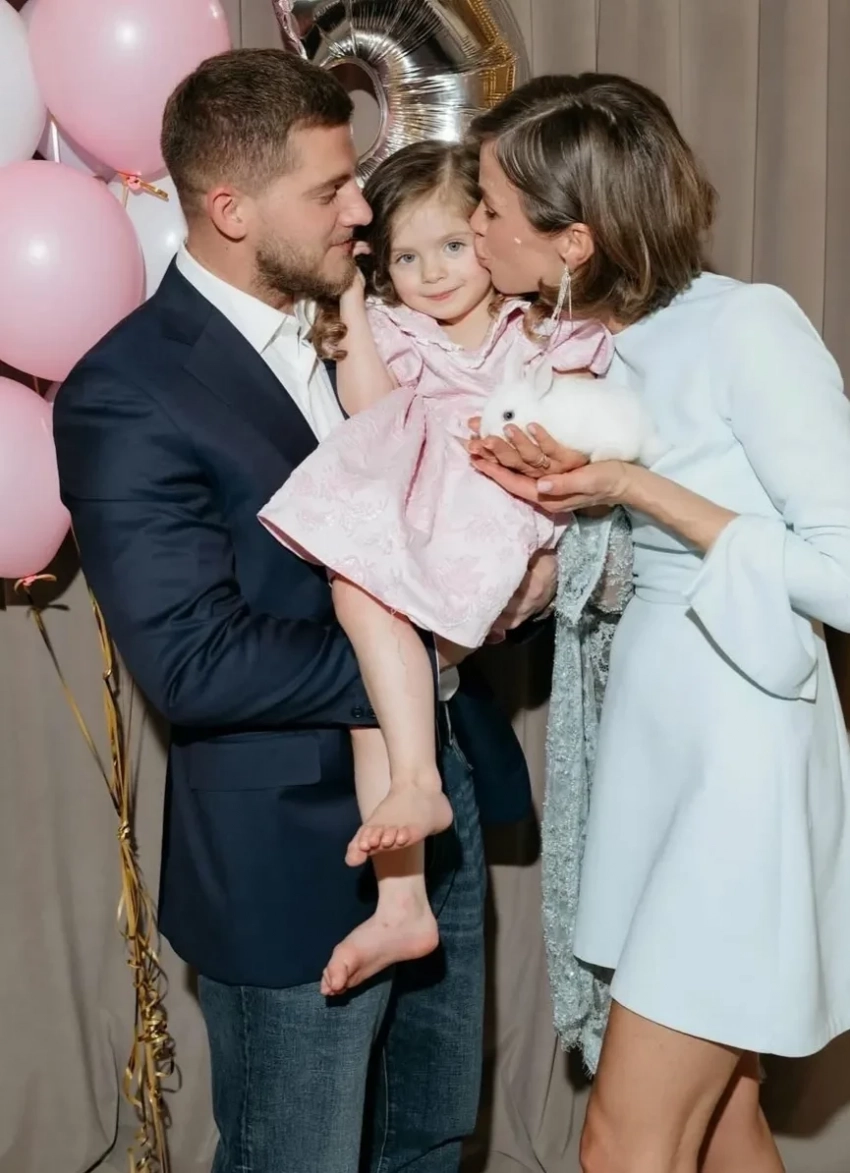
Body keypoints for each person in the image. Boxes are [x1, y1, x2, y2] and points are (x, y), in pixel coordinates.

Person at [52, 48, 551, 1173]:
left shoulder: (389, 326)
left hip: (440, 812)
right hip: (289, 857)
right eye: (329, 190)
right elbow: (195, 661)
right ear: (231, 211)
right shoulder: (126, 391)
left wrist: (523, 574)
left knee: (430, 1141)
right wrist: (431, 648)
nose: (362, 210)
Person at [467, 72, 850, 1172]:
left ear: (574, 240)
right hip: (653, 754)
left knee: (620, 1144)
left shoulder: (745, 326)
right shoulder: (584, 345)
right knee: (724, 1120)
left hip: (739, 765)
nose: (474, 226)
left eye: (491, 207)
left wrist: (634, 488)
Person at [258, 139, 612, 997]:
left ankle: (415, 800)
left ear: (488, 237)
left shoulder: (538, 329)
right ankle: (404, 892)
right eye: (408, 258)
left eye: (453, 245)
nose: (434, 273)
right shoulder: (399, 331)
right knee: (364, 634)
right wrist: (353, 305)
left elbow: (591, 423)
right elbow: (373, 417)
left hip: (497, 511)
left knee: (386, 673)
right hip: (422, 519)